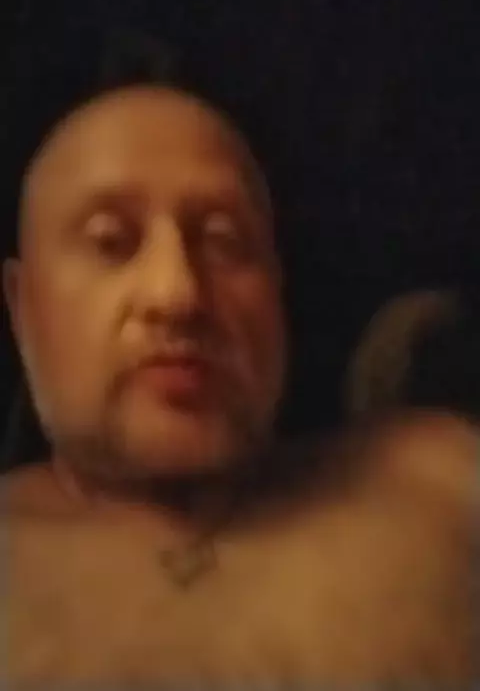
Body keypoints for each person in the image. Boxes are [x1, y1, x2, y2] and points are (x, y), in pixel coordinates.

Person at [1, 48, 478, 687]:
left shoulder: (444, 480)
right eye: (112, 241)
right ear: (23, 307)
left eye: (224, 241)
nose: (177, 293)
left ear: (277, 290)